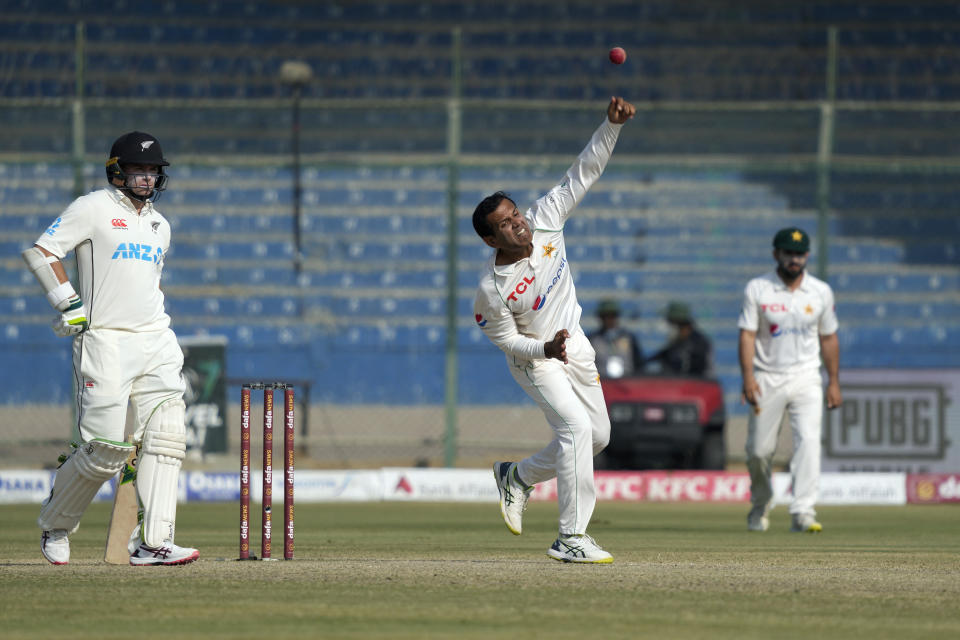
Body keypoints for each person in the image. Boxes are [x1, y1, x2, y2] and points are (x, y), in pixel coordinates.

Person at [22, 131, 199, 565]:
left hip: (155, 338)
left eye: (153, 171)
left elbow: (146, 285)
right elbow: (42, 252)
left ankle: (153, 542)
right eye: (138, 169)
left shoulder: (161, 225)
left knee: (168, 435)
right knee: (103, 451)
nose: (146, 178)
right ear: (117, 170)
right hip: (105, 340)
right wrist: (69, 303)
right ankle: (56, 525)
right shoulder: (93, 208)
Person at [473, 96, 636, 564]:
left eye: (515, 214)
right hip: (535, 361)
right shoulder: (491, 289)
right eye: (504, 225)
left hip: (576, 346)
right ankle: (570, 536)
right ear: (490, 239)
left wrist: (611, 125)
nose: (517, 224)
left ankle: (517, 477)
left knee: (597, 436)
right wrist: (545, 346)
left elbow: (583, 172)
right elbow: (506, 340)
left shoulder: (546, 219)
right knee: (574, 427)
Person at [738, 227, 842, 534]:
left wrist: (833, 381)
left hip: (807, 377)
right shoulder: (758, 288)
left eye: (799, 254)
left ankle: (803, 510)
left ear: (807, 255)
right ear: (776, 255)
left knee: (809, 442)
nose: (794, 259)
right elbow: (746, 334)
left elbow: (829, 337)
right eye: (788, 253)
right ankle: (760, 503)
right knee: (758, 451)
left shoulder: (821, 291)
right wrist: (748, 377)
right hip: (767, 376)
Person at [646, 301, 713, 377]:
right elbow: (662, 355)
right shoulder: (677, 343)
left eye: (670, 322)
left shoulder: (698, 343)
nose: (668, 327)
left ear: (678, 324)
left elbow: (696, 372)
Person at [588, 299, 644, 378]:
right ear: (600, 317)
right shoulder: (592, 340)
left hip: (627, 383)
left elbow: (638, 363)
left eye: (613, 315)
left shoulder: (629, 338)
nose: (609, 319)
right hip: (601, 382)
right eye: (606, 316)